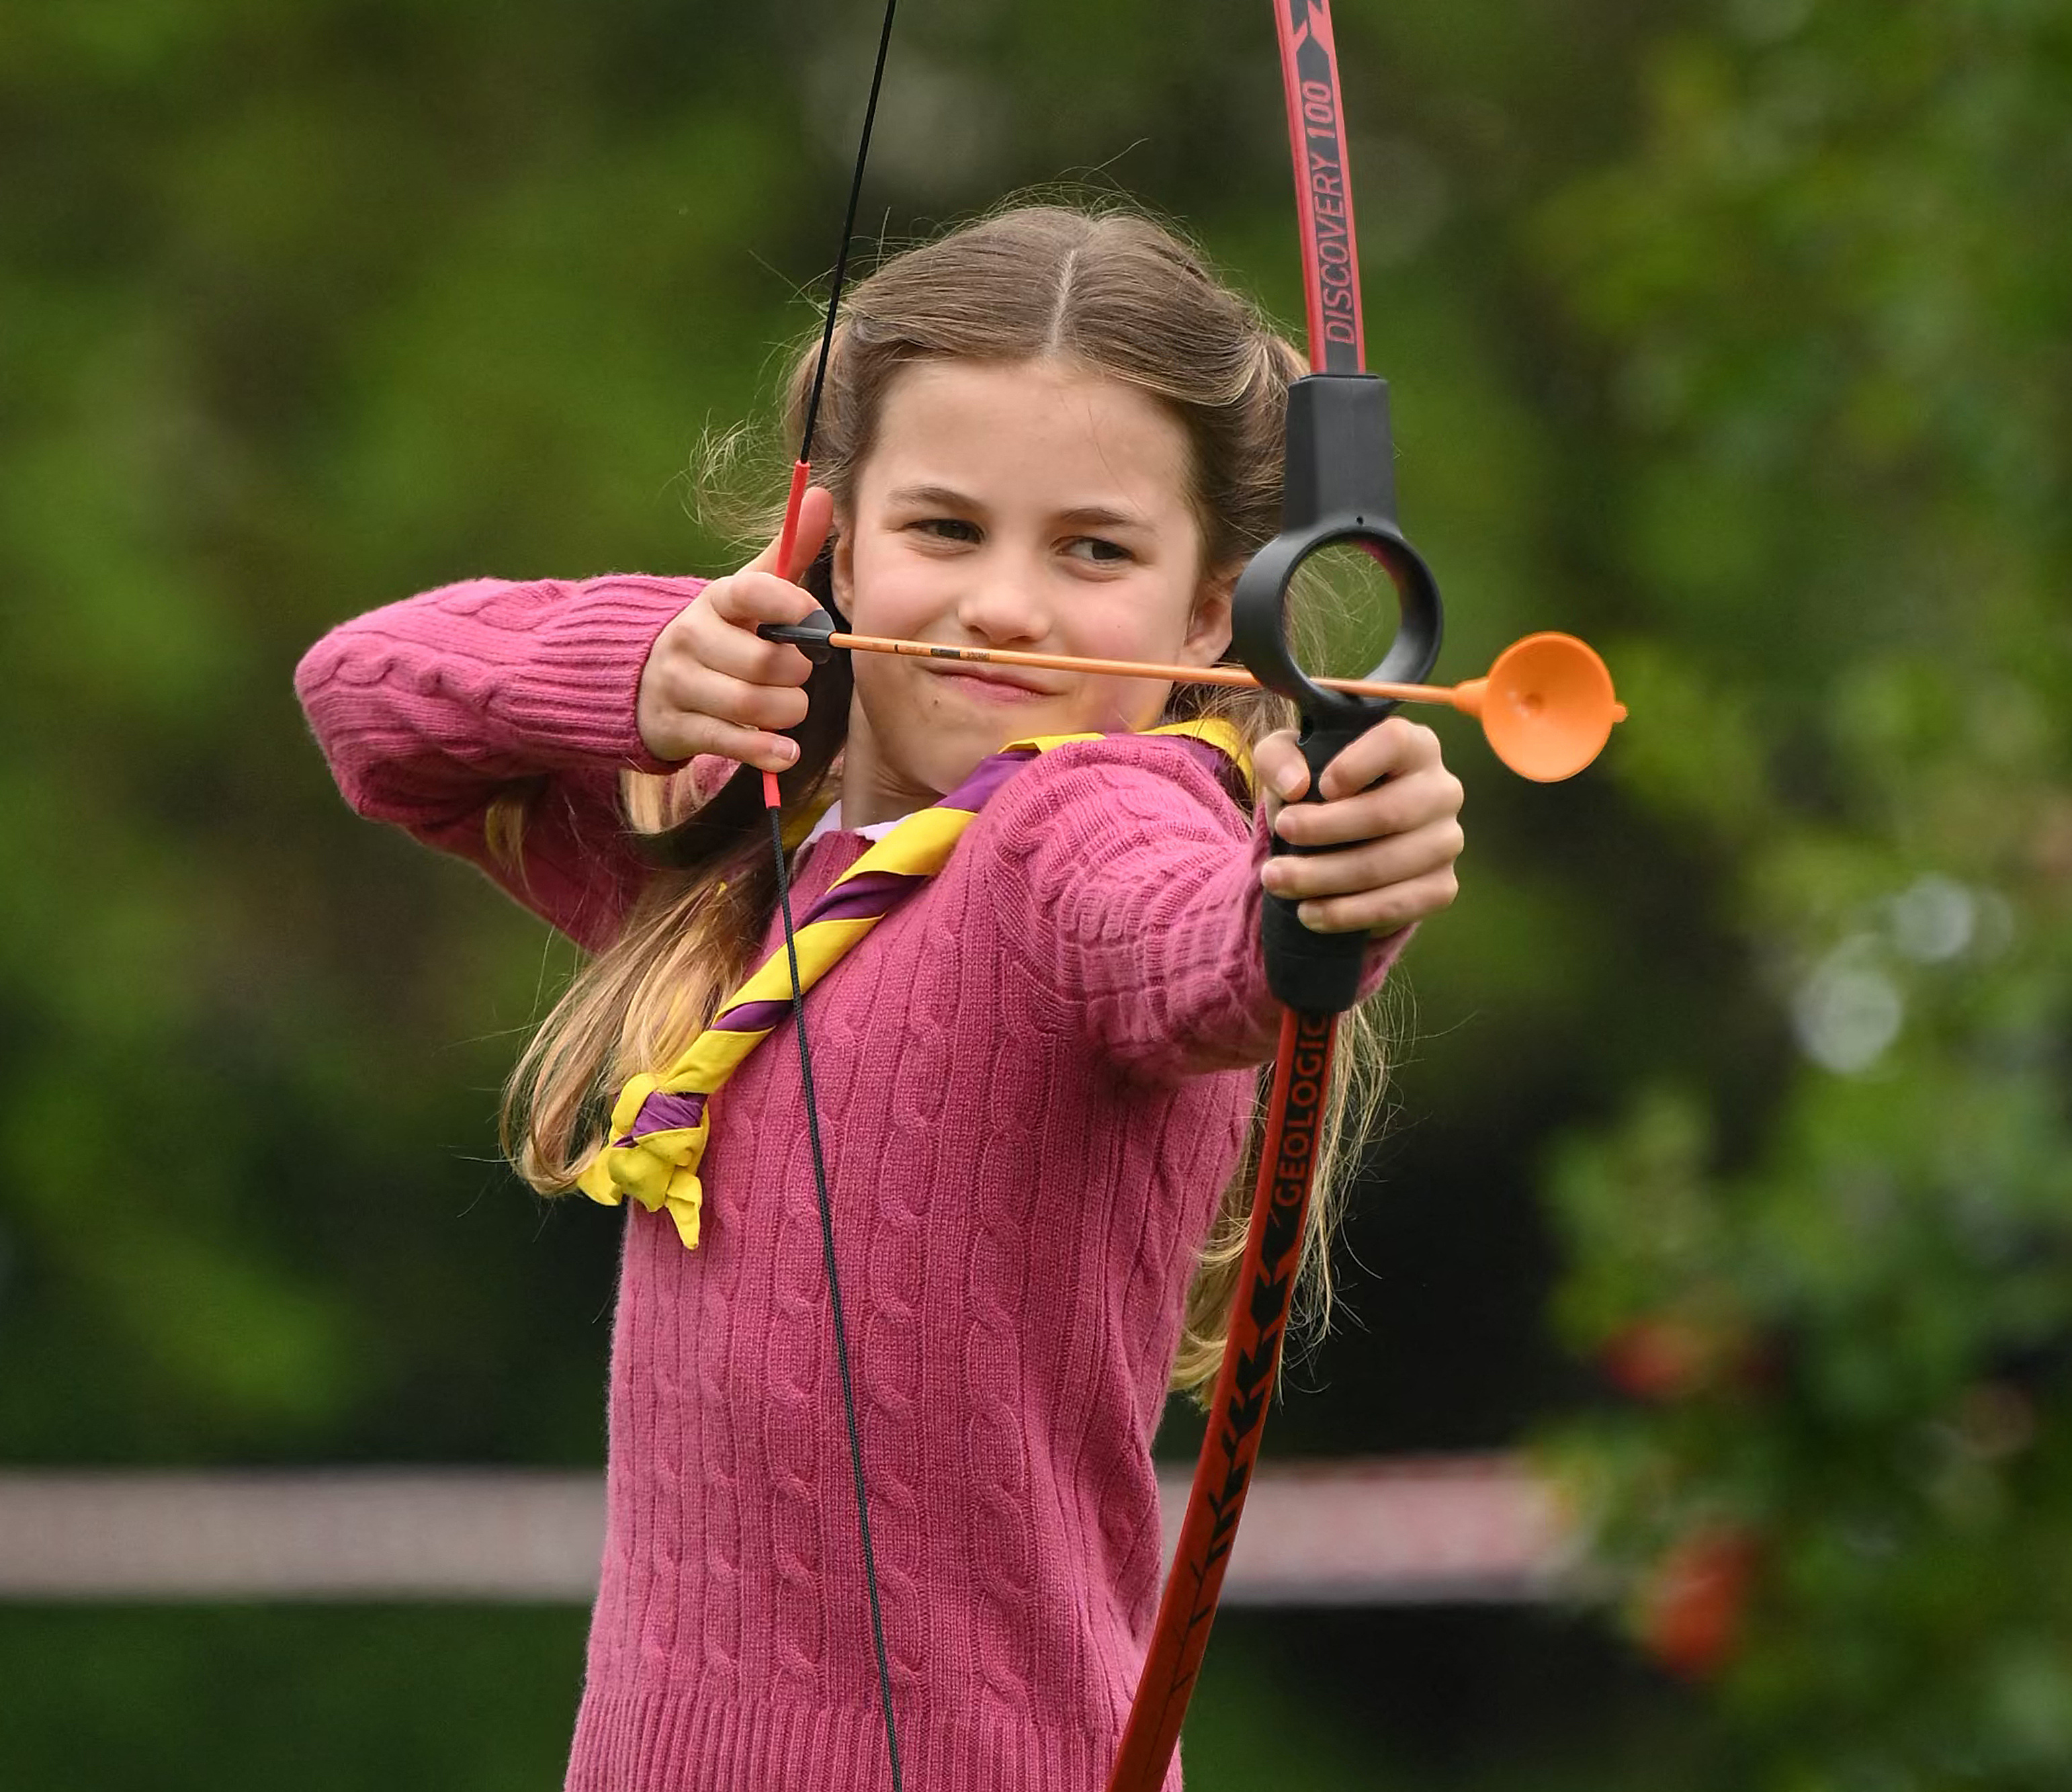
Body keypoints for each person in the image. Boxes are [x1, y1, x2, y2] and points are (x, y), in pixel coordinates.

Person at [294, 204, 1465, 1791]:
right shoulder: (735, 860)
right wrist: (648, 664)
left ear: (1213, 615)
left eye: (1093, 549)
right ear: (831, 541)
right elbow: (366, 699)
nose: (1000, 603)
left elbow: (1196, 949)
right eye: (944, 528)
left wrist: (1326, 886)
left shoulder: (1084, 824)